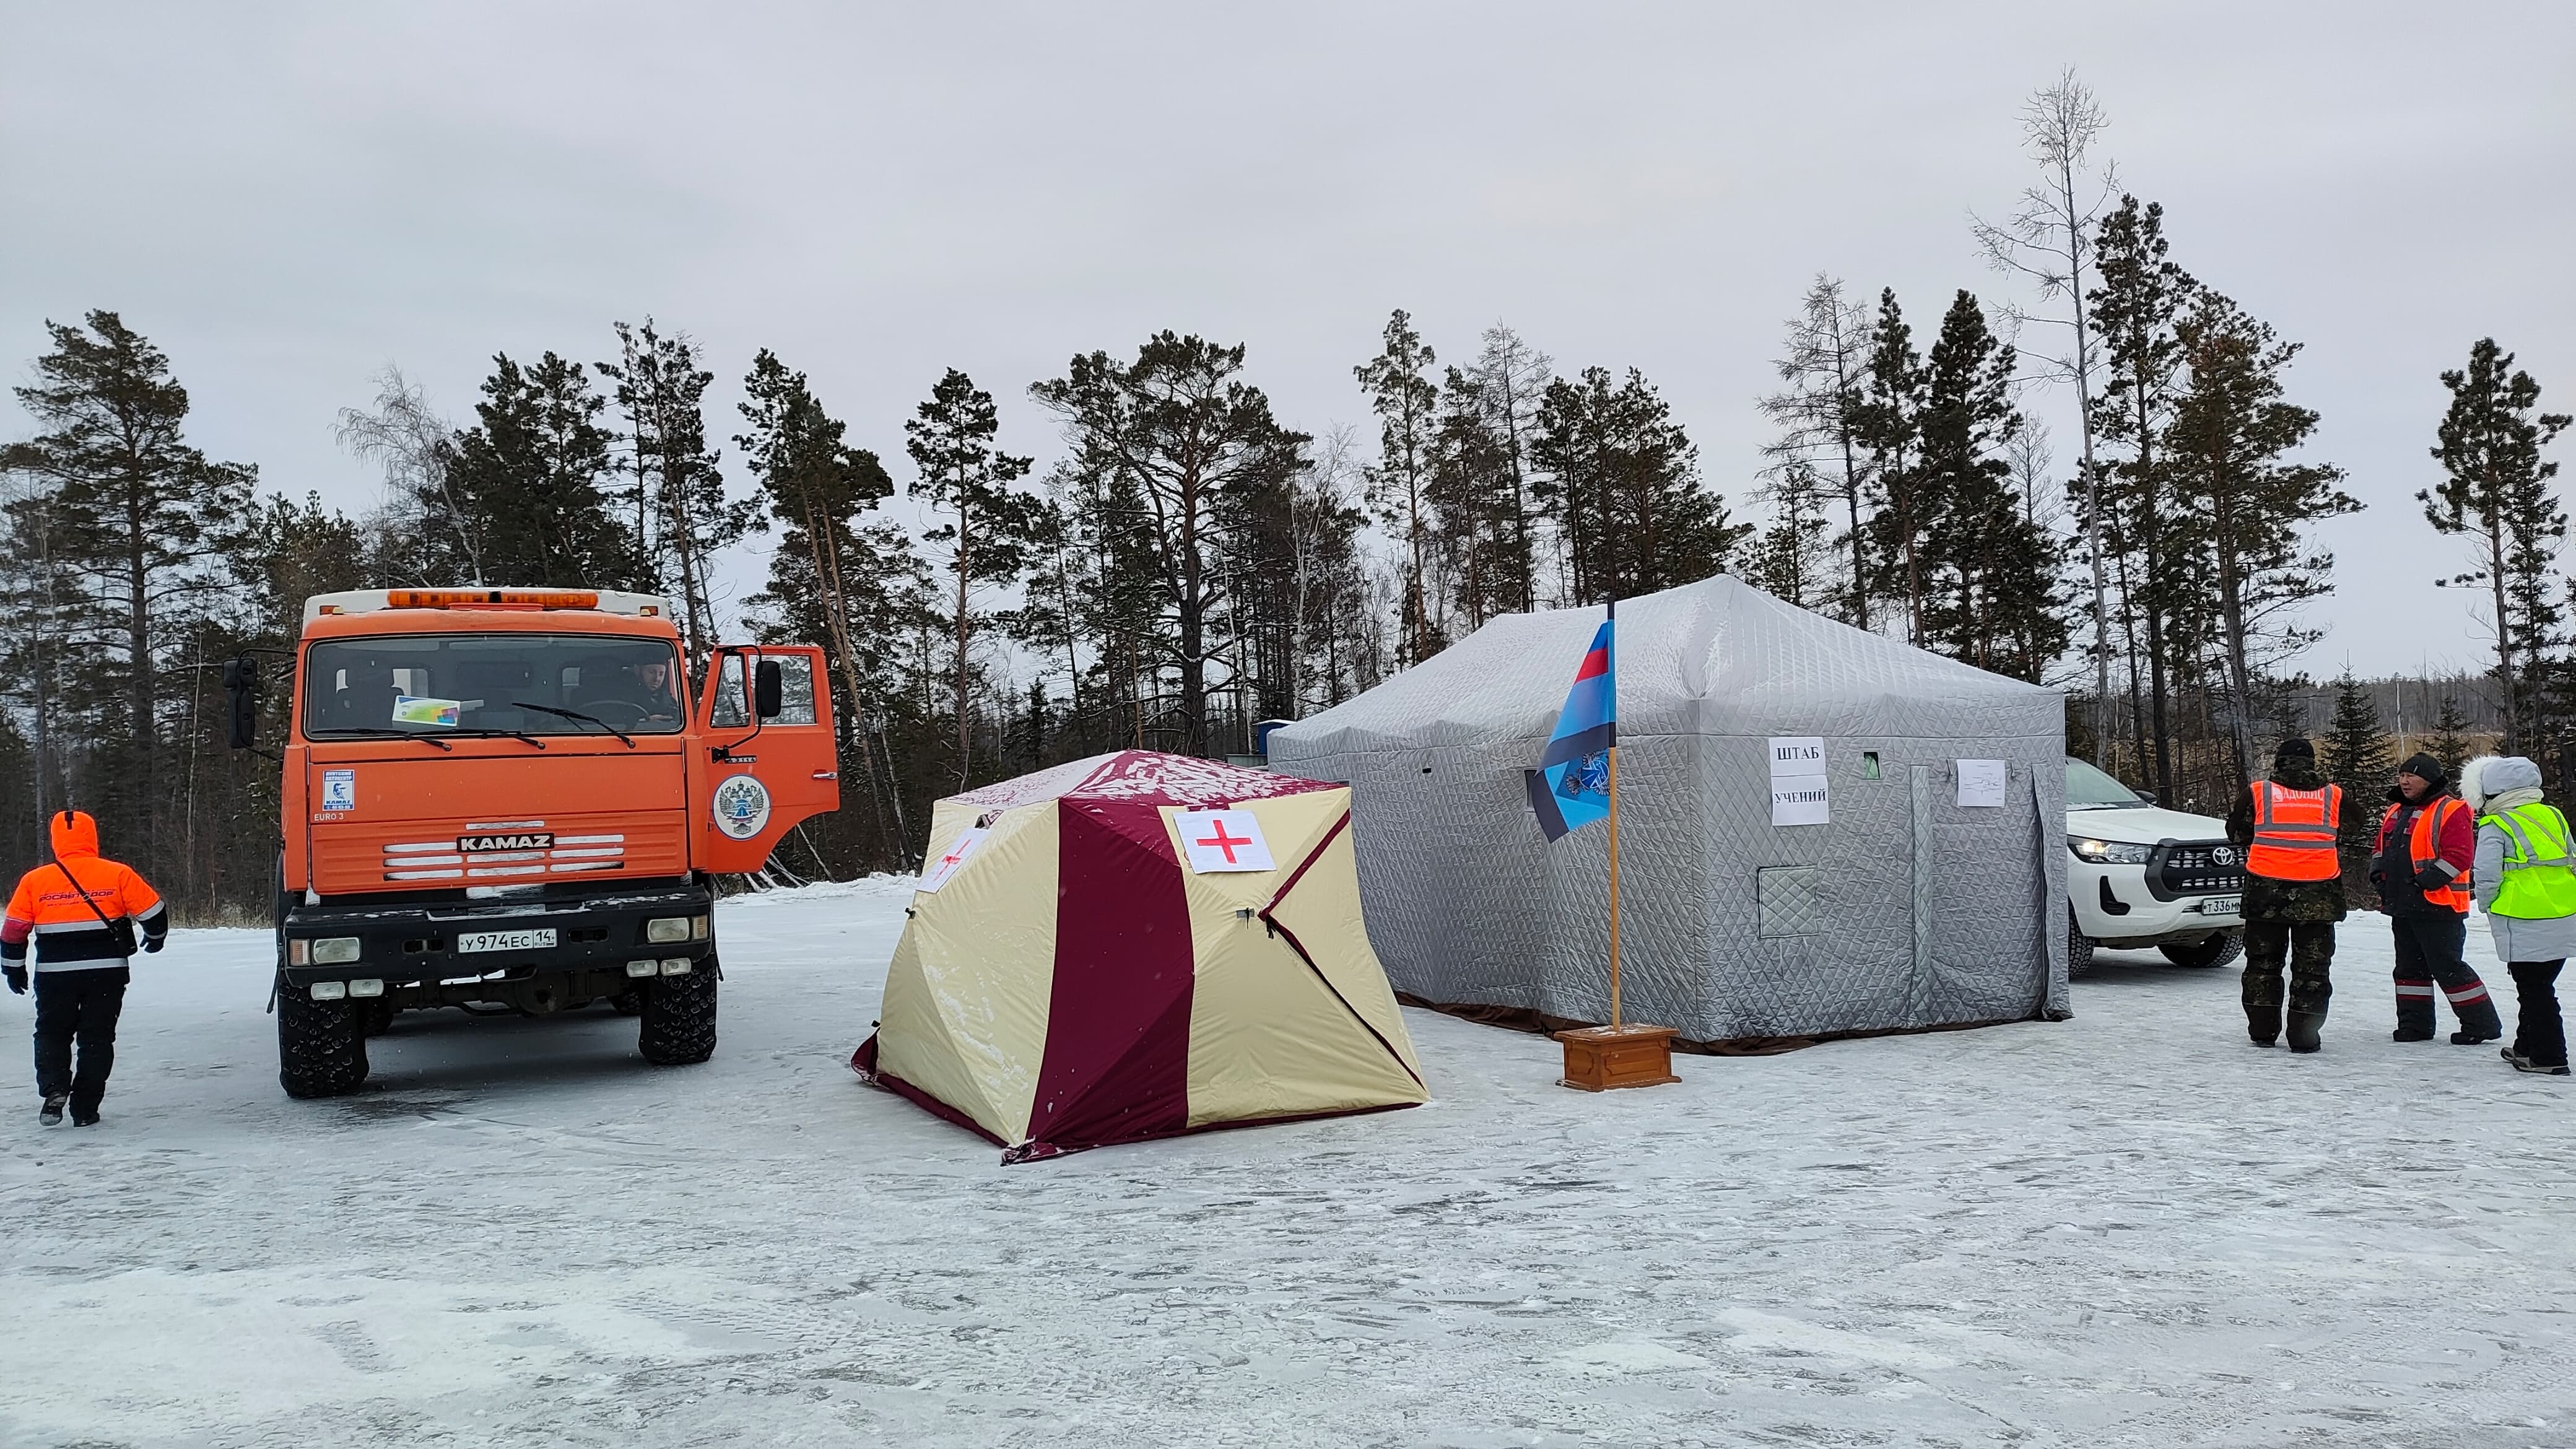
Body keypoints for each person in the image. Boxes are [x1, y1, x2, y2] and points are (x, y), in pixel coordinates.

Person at [1, 810, 170, 1126]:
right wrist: (155, 937)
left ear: (55, 841)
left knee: (52, 1032)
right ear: (93, 837)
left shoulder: (35, 881)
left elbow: (13, 930)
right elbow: (155, 912)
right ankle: (86, 1108)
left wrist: (13, 968)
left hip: (54, 976)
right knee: (97, 1038)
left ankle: (54, 1090)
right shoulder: (117, 874)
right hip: (106, 973)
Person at [2371, 752, 2503, 1045]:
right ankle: (2414, 1026)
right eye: (2402, 775)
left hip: (2438, 905)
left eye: (2411, 776)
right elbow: (2380, 848)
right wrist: (2378, 875)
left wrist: (2423, 883)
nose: (2404, 781)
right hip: (2402, 904)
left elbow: (2459, 857)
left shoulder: (2452, 809)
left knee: (2448, 967)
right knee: (2408, 969)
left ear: (2428, 780)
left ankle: (2481, 1025)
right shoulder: (2395, 810)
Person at [2227, 738, 2345, 1052]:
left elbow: (2235, 832)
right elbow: (2350, 828)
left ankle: (2263, 1031)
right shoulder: (2334, 795)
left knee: (2262, 964)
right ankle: (2305, 1036)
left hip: (2265, 895)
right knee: (2313, 969)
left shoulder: (2259, 792)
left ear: (2279, 762)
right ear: (2312, 762)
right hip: (2318, 896)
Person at [2463, 754, 2574, 1076]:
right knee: (2539, 983)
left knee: (2534, 988)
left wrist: (2487, 903)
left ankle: (2549, 1056)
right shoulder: (2553, 815)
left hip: (2521, 915)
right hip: (2565, 911)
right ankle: (2526, 1046)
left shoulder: (2496, 824)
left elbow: (2485, 873)